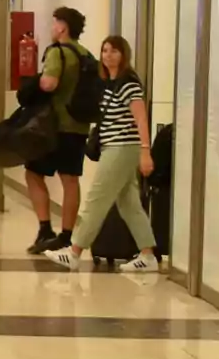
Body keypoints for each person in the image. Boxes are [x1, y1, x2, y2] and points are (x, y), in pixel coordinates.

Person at [43, 36, 157, 272]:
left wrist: (145, 152)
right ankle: (147, 254)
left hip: (122, 148)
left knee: (96, 198)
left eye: (114, 51)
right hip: (112, 147)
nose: (108, 55)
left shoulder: (129, 83)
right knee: (128, 203)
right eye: (104, 51)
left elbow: (141, 118)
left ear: (123, 55)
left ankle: (74, 251)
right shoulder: (109, 83)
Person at [26, 7, 92, 254]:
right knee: (70, 180)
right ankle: (67, 235)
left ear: (62, 27)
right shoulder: (85, 53)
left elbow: (49, 83)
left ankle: (45, 229)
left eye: (54, 24)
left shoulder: (57, 52)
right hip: (79, 126)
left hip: (54, 126)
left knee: (33, 173)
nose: (52, 28)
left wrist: (38, 80)